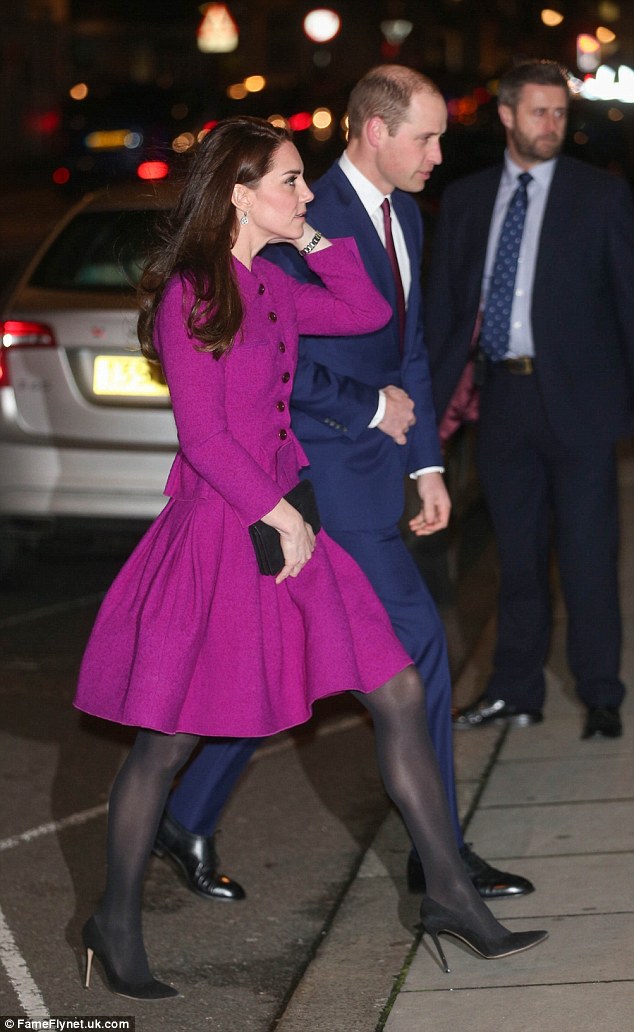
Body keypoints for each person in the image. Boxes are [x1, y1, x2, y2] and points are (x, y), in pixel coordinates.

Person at [73, 115, 547, 1001]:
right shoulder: (195, 293)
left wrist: (313, 233)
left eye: (302, 181)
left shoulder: (274, 282)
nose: (307, 195)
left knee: (397, 687)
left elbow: (368, 308)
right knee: (168, 739)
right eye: (290, 183)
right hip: (225, 530)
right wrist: (277, 516)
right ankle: (117, 920)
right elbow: (204, 435)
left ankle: (447, 893)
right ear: (238, 195)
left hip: (290, 523)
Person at [152, 65, 534, 905]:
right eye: (425, 137)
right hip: (313, 481)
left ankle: (183, 815)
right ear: (373, 130)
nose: (439, 152)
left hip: (375, 471)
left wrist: (426, 460)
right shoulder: (292, 212)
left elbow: (405, 344)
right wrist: (370, 412)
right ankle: (441, 864)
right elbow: (281, 367)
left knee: (288, 659)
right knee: (416, 652)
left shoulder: (406, 219)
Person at [425, 59, 634, 738]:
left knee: (588, 555)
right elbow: (444, 311)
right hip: (502, 402)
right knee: (516, 557)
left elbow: (630, 305)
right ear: (507, 115)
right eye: (539, 112)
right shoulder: (465, 200)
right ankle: (516, 690)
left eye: (560, 114)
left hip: (582, 406)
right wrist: (428, 399)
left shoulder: (601, 197)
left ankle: (602, 692)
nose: (552, 125)